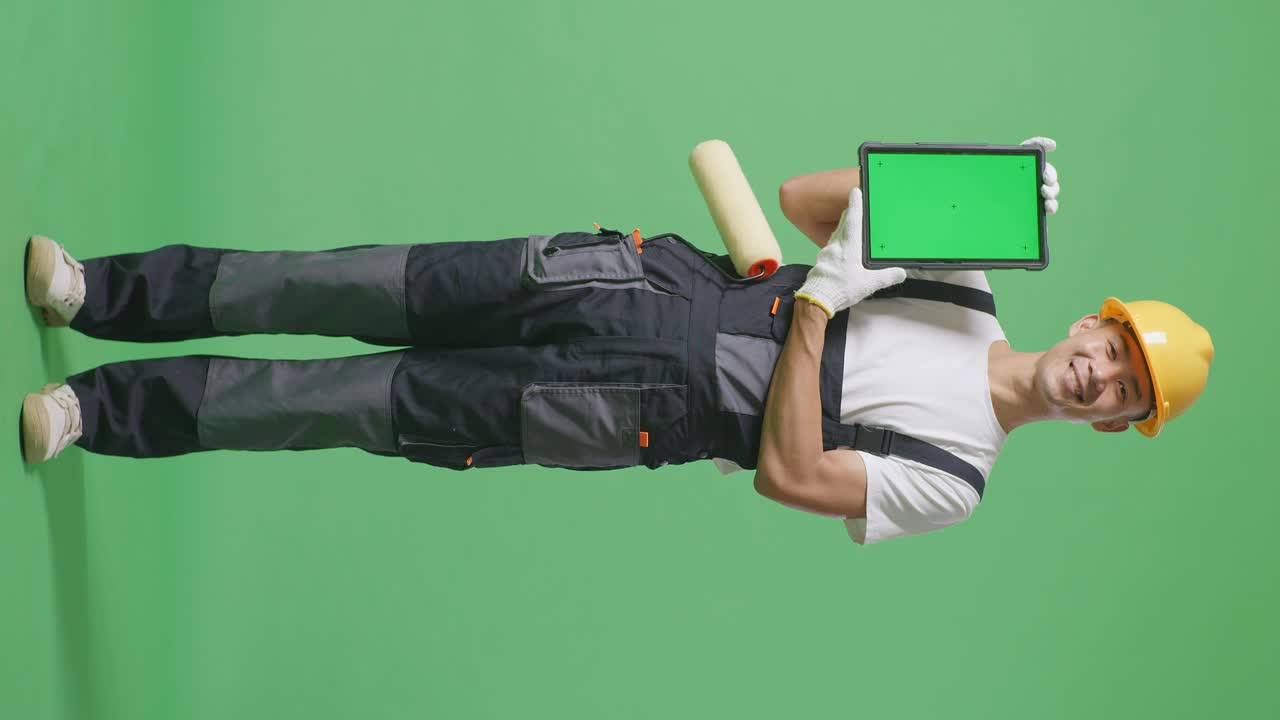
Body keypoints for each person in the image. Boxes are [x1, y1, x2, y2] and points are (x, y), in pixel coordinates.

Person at [18, 137, 1214, 545]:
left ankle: (92, 415)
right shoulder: (961, 285)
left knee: (337, 404)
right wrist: (952, 192)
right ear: (1089, 322)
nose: (1101, 375)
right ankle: (95, 292)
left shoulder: (954, 477)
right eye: (1115, 348)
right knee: (341, 279)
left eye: (1125, 391)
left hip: (622, 410)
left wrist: (819, 304)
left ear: (1113, 425)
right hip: (619, 283)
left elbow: (789, 473)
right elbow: (803, 202)